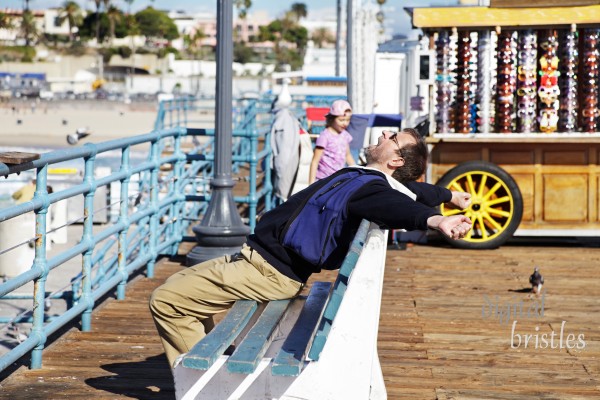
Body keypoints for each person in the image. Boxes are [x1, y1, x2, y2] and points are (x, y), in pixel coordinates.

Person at [150, 128, 473, 368]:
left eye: (393, 137)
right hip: (256, 260)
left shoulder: (370, 190)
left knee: (166, 301)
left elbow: (396, 205)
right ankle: (211, 365)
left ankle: (205, 382)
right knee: (175, 288)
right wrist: (449, 197)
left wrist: (435, 221)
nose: (385, 133)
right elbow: (411, 189)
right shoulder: (365, 177)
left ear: (395, 159)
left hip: (268, 271)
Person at [308, 99, 356, 184]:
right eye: (341, 120)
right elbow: (315, 160)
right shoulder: (325, 136)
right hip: (323, 179)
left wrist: (356, 170)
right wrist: (311, 183)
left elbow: (347, 155)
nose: (345, 123)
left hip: (337, 179)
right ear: (332, 119)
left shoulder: (345, 135)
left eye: (348, 120)